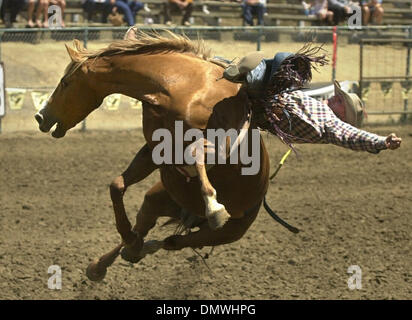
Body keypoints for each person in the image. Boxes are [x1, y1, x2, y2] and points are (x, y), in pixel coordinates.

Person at [222, 49, 402, 153]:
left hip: (270, 102)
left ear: (344, 117)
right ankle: (237, 70)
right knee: (281, 61)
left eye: (340, 101)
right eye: (339, 96)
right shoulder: (319, 110)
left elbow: (354, 136)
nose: (335, 96)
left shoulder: (332, 125)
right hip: (272, 101)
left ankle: (243, 74)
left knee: (283, 58)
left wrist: (381, 141)